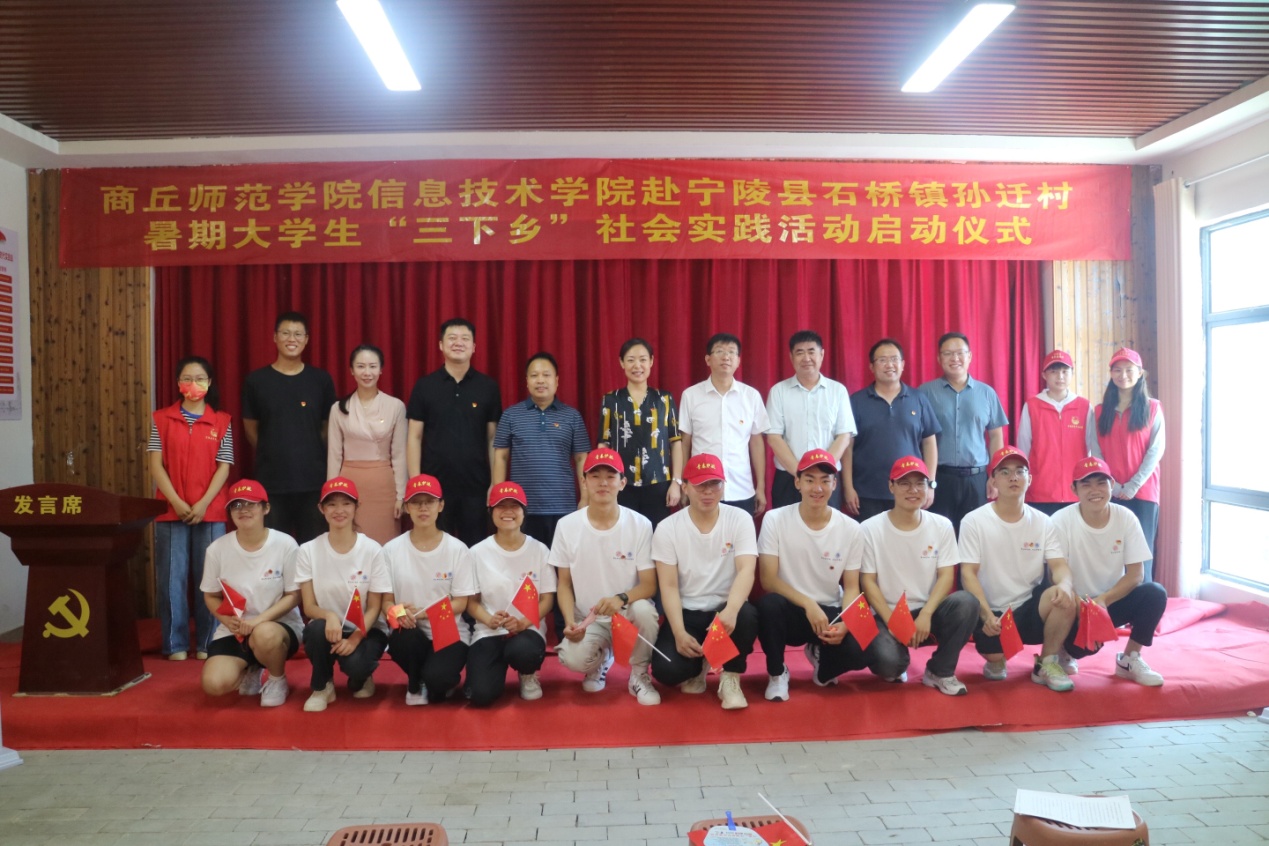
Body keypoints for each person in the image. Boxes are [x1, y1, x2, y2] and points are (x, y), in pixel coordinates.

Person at [757, 450, 904, 700]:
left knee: (866, 637)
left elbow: (851, 587)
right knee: (768, 605)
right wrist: (808, 603)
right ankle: (777, 673)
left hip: (831, 609)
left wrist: (847, 622)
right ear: (797, 482)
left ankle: (824, 666)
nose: (817, 488)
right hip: (792, 609)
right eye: (810, 480)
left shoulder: (851, 528)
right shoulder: (775, 519)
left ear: (834, 484)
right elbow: (768, 580)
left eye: (825, 481)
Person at [959, 447, 1079, 692]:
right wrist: (985, 614)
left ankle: (1046, 662)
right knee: (995, 659)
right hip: (992, 613)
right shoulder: (974, 521)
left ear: (1029, 479)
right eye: (1004, 472)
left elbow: (1059, 566)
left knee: (1064, 597)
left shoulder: (1043, 521)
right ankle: (995, 660)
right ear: (993, 480)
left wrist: (1065, 585)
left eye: (1020, 471)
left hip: (1028, 607)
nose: (1013, 477)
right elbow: (968, 574)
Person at [859, 457, 978, 696]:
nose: (913, 490)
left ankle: (940, 671)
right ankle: (897, 660)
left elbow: (947, 576)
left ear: (928, 487)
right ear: (891, 486)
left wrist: (926, 614)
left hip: (928, 613)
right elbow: (868, 581)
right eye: (904, 483)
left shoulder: (942, 525)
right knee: (889, 664)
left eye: (920, 483)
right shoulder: (869, 529)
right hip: (887, 613)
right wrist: (892, 621)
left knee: (967, 602)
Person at [550, 448, 660, 705]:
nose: (603, 483)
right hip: (589, 618)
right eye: (595, 476)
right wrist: (570, 622)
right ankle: (601, 658)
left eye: (610, 476)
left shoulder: (640, 524)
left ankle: (639, 674)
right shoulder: (567, 526)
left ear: (622, 483)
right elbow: (563, 584)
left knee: (645, 611)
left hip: (628, 613)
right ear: (584, 481)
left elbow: (649, 585)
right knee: (572, 659)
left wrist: (620, 598)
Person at [650, 454, 759, 710]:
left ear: (724, 486)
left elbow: (746, 570)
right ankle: (700, 665)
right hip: (688, 612)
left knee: (747, 615)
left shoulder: (740, 519)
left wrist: (731, 610)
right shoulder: (667, 528)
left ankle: (731, 677)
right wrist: (679, 632)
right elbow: (668, 586)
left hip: (725, 608)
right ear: (685, 487)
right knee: (666, 671)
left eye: (714, 484)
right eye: (700, 485)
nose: (708, 492)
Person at [148, 355, 234, 660]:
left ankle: (209, 641)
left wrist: (203, 502)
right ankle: (175, 643)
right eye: (187, 378)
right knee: (172, 578)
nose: (193, 384)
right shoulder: (161, 419)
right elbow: (156, 465)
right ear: (178, 383)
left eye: (199, 378)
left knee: (210, 578)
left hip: (210, 510)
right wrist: (176, 501)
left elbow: (224, 467)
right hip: (171, 509)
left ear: (209, 383)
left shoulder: (221, 420)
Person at [1051, 457, 1166, 686]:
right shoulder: (1060, 521)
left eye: (1101, 483)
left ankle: (1130, 659)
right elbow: (1054, 575)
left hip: (1109, 601)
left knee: (1155, 593)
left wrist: (1103, 600)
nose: (1095, 490)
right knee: (1082, 649)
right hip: (1074, 606)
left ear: (1112, 485)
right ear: (1074, 489)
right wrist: (1082, 608)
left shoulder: (1126, 518)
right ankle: (1064, 649)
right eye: (1086, 484)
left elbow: (1136, 574)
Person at [199, 480, 302, 708]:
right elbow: (211, 595)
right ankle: (252, 667)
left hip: (276, 626)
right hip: (235, 629)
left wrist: (258, 621)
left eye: (251, 504)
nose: (243, 510)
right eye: (236, 505)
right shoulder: (217, 549)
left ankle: (277, 679)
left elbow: (294, 595)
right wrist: (226, 620)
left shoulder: (286, 544)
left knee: (264, 634)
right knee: (214, 684)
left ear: (266, 508)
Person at [295, 477, 391, 712]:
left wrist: (355, 638)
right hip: (327, 628)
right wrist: (329, 616)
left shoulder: (372, 550)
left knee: (357, 665)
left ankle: (361, 677)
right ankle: (322, 686)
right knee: (315, 630)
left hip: (366, 629)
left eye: (346, 504)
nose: (339, 510)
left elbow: (374, 607)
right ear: (321, 509)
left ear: (357, 507)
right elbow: (309, 606)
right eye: (332, 504)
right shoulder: (307, 550)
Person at [406, 318, 503, 547]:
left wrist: (495, 483)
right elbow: (414, 437)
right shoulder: (425, 386)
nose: (458, 343)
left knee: (476, 549)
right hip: (434, 487)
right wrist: (416, 482)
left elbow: (493, 438)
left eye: (465, 339)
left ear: (474, 347)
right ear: (441, 345)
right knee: (435, 548)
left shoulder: (488, 387)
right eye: (452, 338)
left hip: (476, 486)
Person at [242, 311, 337, 545]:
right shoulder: (256, 381)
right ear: (275, 337)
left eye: (297, 334)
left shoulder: (320, 380)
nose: (291, 339)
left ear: (306, 339)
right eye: (285, 333)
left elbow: (327, 427)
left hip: (312, 482)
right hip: (272, 482)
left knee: (313, 549)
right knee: (274, 550)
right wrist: (273, 449)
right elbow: (251, 428)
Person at [379, 475, 475, 706]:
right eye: (416, 502)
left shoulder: (457, 549)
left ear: (440, 506)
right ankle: (415, 682)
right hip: (409, 630)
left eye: (429, 502)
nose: (423, 508)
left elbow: (461, 603)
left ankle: (434, 679)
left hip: (449, 631)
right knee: (403, 640)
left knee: (440, 681)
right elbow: (386, 603)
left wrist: (423, 614)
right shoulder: (391, 550)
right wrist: (398, 613)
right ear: (407, 507)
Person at [466, 481, 556, 706]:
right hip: (489, 631)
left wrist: (524, 622)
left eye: (514, 506)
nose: (508, 512)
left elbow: (547, 599)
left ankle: (528, 673)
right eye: (501, 506)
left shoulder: (539, 550)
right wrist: (489, 619)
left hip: (528, 629)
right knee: (480, 695)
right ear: (491, 512)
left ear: (524, 512)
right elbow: (471, 602)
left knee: (523, 651)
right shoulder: (476, 553)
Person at [492, 352, 590, 548]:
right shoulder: (511, 415)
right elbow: (501, 457)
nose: (540, 380)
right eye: (534, 375)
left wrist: (585, 497)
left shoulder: (572, 416)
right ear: (527, 381)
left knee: (561, 561)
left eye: (546, 375)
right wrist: (499, 496)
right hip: (521, 507)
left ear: (556, 380)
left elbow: (582, 459)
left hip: (563, 506)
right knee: (525, 562)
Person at [919, 332, 1008, 535]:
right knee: (938, 538)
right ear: (939, 358)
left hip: (976, 480)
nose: (955, 358)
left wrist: (995, 475)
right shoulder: (925, 392)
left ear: (970, 356)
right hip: (940, 478)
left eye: (960, 353)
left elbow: (996, 436)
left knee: (975, 537)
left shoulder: (987, 393)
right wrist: (928, 481)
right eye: (948, 353)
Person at [845, 339, 942, 523]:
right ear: (871, 367)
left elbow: (930, 443)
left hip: (910, 491)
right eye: (882, 360)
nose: (889, 365)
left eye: (894, 359)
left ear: (903, 364)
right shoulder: (856, 401)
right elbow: (847, 448)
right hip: (867, 492)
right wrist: (848, 488)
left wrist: (930, 484)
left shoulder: (918, 399)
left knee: (908, 538)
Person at [1089, 348, 1165, 581]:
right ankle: (1113, 601)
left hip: (1143, 492)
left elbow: (1155, 450)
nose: (1123, 375)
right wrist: (1111, 484)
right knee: (1112, 552)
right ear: (1111, 373)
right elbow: (1096, 450)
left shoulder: (1153, 407)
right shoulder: (1099, 411)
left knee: (1141, 554)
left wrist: (1133, 485)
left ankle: (1144, 599)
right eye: (1118, 370)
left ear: (1140, 373)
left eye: (1129, 370)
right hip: (1110, 492)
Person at [679, 333, 770, 515]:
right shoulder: (691, 395)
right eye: (720, 351)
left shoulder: (751, 396)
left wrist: (760, 487)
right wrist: (684, 484)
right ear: (708, 359)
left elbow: (756, 443)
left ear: (738, 361)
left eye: (731, 352)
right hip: (701, 488)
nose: (726, 357)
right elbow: (685, 443)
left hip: (741, 488)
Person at [597, 337, 684, 527]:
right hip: (621, 484)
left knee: (657, 536)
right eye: (631, 360)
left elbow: (676, 442)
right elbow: (604, 444)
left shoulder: (664, 399)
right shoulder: (611, 400)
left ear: (651, 361)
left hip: (658, 483)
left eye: (643, 359)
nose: (637, 365)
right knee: (624, 535)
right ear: (622, 363)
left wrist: (676, 482)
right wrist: (604, 481)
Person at [327, 344, 408, 545]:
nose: (367, 372)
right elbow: (334, 455)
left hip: (383, 485)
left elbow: (399, 455)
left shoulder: (395, 406)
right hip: (349, 483)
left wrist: (401, 495)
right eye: (361, 366)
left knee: (385, 542)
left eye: (372, 366)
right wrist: (331, 494)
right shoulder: (338, 408)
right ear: (351, 370)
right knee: (350, 542)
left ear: (381, 370)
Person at [765, 330, 855, 510]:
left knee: (828, 527)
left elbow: (844, 436)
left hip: (827, 479)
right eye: (800, 352)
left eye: (811, 351)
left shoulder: (837, 391)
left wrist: (824, 471)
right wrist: (800, 473)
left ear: (822, 355)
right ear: (791, 357)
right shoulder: (778, 391)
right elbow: (774, 437)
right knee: (786, 526)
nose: (806, 358)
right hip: (789, 478)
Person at [1017, 350, 1091, 515]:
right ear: (1044, 375)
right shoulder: (1032, 405)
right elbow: (1023, 448)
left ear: (1072, 373)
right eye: (1054, 371)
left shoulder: (1084, 406)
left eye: (1065, 371)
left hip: (1076, 491)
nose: (1060, 376)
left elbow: (1090, 449)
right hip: (1041, 491)